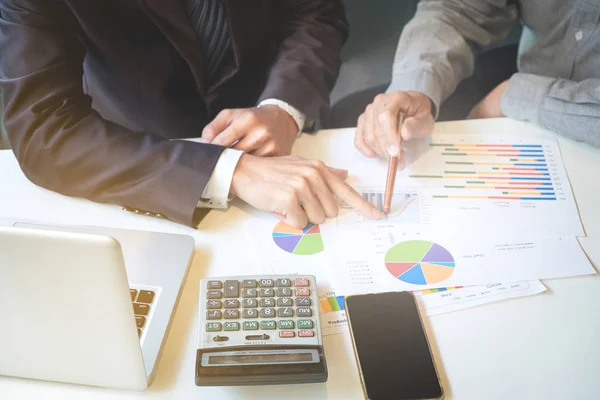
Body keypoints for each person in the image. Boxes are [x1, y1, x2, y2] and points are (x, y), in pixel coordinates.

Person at [0, 0, 383, 228]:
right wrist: (226, 169)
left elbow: (316, 13)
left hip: (275, 110)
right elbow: (44, 130)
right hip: (139, 153)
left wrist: (284, 107)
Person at [346, 0, 600, 161]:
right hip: (526, 79)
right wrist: (416, 88)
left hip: (529, 94)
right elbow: (459, 8)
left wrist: (522, 96)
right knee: (344, 114)